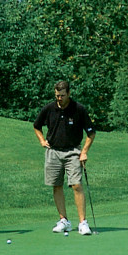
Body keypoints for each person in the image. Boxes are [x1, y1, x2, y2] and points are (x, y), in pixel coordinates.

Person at [33, 80, 96, 236]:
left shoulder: (78, 109)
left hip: (73, 151)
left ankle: (83, 222)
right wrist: (42, 140)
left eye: (62, 95)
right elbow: (36, 126)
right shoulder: (49, 108)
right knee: (56, 185)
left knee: (76, 185)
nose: (59, 99)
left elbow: (91, 133)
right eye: (57, 96)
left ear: (68, 93)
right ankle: (64, 220)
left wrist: (84, 152)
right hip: (53, 151)